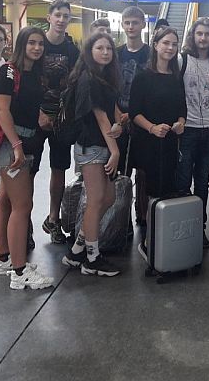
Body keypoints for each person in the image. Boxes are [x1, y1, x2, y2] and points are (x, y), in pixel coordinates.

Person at [0, 26, 54, 290]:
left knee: (5, 200)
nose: (37, 48)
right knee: (22, 206)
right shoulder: (8, 71)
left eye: (40, 44)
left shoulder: (32, 73)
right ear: (21, 45)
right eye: (32, 43)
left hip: (22, 141)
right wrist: (16, 145)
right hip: (11, 144)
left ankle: (4, 259)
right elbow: (1, 109)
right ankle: (19, 272)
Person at [60, 31, 123, 277]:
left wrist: (120, 123)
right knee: (96, 200)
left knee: (107, 198)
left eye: (109, 48)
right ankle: (92, 258)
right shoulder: (88, 79)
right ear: (89, 51)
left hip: (102, 144)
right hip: (92, 147)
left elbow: (113, 111)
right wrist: (115, 151)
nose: (105, 52)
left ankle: (77, 250)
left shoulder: (104, 77)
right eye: (100, 48)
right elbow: (100, 117)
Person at [33, 0, 81, 245]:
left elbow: (76, 83)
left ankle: (53, 219)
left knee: (59, 168)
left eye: (66, 16)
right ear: (49, 17)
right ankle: (23, 224)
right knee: (28, 170)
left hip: (62, 119)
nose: (62, 20)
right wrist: (38, 112)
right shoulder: (37, 44)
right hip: (36, 117)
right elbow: (26, 81)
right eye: (58, 15)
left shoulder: (72, 50)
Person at [129, 27, 187, 212]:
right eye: (166, 43)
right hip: (147, 142)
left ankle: (164, 226)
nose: (170, 48)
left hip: (170, 143)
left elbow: (182, 107)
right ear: (155, 45)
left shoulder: (176, 77)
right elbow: (134, 112)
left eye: (174, 44)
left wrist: (181, 123)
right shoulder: (142, 77)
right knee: (149, 188)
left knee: (168, 188)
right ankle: (147, 226)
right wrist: (152, 128)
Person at [177, 17, 209, 248]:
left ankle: (199, 228)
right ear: (193, 36)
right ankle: (183, 227)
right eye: (199, 33)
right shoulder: (182, 60)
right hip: (188, 128)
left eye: (207, 34)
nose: (203, 38)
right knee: (184, 180)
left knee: (203, 182)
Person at [116, 6, 150, 229]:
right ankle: (122, 218)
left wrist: (137, 114)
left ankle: (143, 214)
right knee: (122, 170)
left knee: (144, 170)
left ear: (143, 25)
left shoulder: (152, 54)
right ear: (122, 24)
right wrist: (118, 114)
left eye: (135, 23)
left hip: (144, 119)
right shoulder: (115, 54)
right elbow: (109, 87)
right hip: (119, 119)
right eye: (127, 22)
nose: (131, 27)